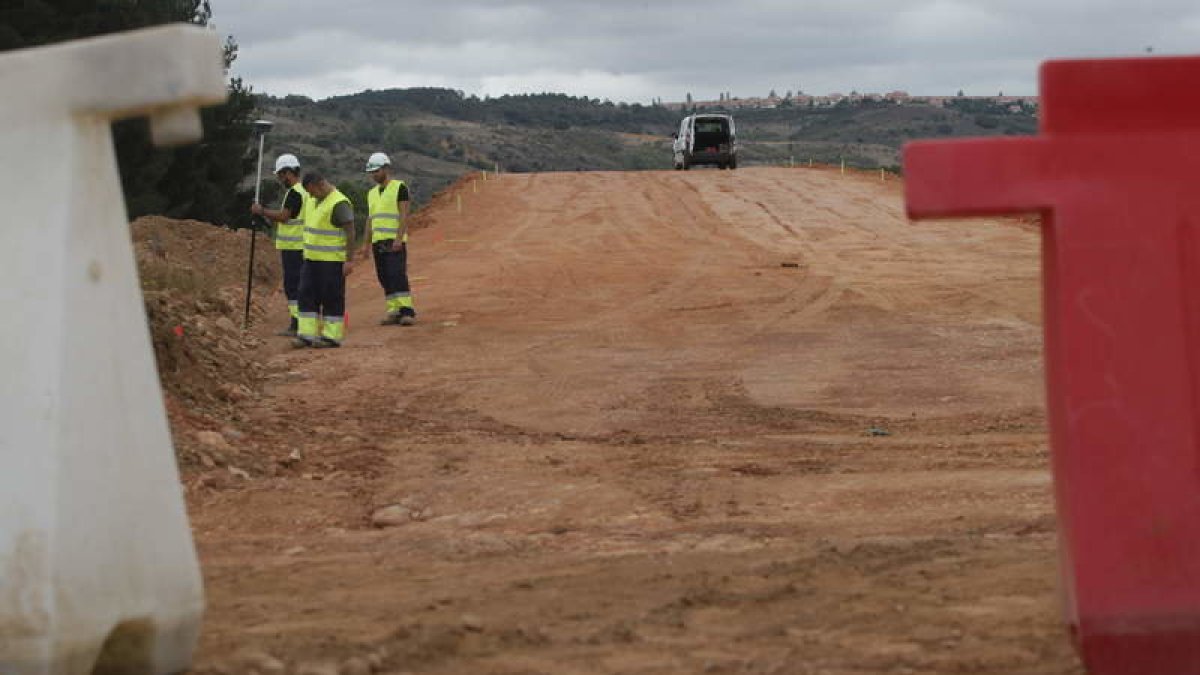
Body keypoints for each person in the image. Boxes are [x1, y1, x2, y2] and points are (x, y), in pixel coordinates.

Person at [294, 173, 356, 349]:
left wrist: (349, 260)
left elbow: (350, 232)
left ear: (320, 184)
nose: (310, 195)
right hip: (311, 260)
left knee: (332, 298)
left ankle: (331, 337)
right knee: (305, 294)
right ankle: (306, 335)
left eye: (312, 191)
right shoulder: (313, 201)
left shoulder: (339, 203)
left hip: (332, 262)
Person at [251, 153, 307, 336]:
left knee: (293, 285)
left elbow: (284, 217)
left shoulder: (294, 193)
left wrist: (262, 211)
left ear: (288, 172)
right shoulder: (305, 192)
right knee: (299, 284)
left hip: (294, 248)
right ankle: (301, 322)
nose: (279, 179)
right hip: (301, 246)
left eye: (281, 175)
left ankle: (297, 324)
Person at [362, 152, 416, 326]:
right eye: (372, 172)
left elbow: (403, 214)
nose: (374, 175)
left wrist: (399, 239)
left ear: (386, 168)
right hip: (378, 242)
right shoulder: (371, 194)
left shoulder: (399, 188)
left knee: (397, 274)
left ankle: (407, 310)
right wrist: (365, 244)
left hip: (394, 241)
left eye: (377, 171)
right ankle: (394, 310)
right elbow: (370, 220)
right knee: (384, 276)